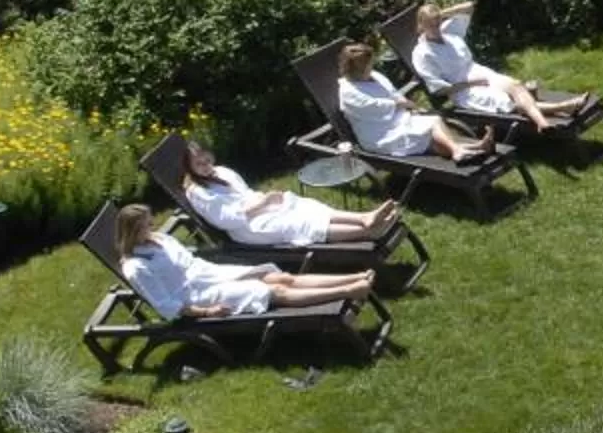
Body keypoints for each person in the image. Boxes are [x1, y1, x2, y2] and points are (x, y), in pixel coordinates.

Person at [113, 203, 373, 319]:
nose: (153, 226)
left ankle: (354, 277)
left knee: (282, 277)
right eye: (146, 225)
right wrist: (206, 312)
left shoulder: (157, 239)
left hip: (209, 273)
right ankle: (350, 290)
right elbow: (166, 305)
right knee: (276, 291)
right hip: (199, 295)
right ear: (132, 232)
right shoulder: (136, 267)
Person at [179, 137, 398, 248]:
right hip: (249, 228)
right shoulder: (199, 193)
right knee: (300, 224)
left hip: (260, 209)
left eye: (208, 159)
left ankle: (364, 218)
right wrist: (263, 204)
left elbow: (244, 193)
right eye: (199, 164)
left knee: (307, 206)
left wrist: (266, 200)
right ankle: (368, 232)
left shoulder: (221, 171)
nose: (206, 166)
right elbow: (226, 220)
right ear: (189, 167)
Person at [407, 1, 589, 131]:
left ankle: (541, 122)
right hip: (463, 90)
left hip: (480, 73)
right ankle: (563, 107)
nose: (436, 28)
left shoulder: (448, 32)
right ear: (421, 25)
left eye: (437, 23)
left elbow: (470, 6)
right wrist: (471, 84)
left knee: (515, 86)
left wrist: (442, 13)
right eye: (431, 25)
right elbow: (438, 91)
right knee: (507, 102)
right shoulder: (422, 53)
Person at [336, 40, 492, 161]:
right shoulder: (348, 91)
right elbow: (371, 107)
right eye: (367, 67)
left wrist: (409, 105)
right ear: (355, 69)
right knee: (429, 131)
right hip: (380, 134)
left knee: (434, 123)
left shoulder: (375, 76)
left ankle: (470, 147)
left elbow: (392, 92)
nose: (371, 68)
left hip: (399, 121)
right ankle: (462, 149)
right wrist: (398, 104)